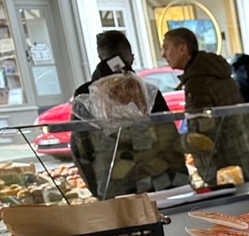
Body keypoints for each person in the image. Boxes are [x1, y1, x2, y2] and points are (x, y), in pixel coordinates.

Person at [71, 30, 184, 197]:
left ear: (100, 57)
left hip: (115, 188)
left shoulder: (85, 95)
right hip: (162, 184)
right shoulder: (147, 91)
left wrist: (98, 191)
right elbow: (170, 139)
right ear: (131, 57)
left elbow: (80, 149)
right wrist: (178, 179)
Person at [162, 26, 249, 183]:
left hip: (222, 169)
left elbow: (203, 138)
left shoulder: (197, 81)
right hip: (240, 158)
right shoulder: (217, 72)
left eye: (166, 48)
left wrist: (175, 143)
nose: (164, 54)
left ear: (182, 48)